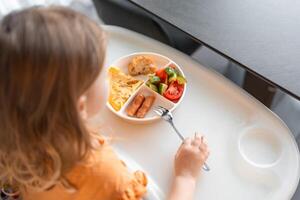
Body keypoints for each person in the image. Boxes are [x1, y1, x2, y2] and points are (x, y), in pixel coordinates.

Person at [0, 6, 209, 200]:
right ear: (80, 108)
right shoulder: (108, 177)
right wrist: (186, 177)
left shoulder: (12, 141)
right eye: (102, 74)